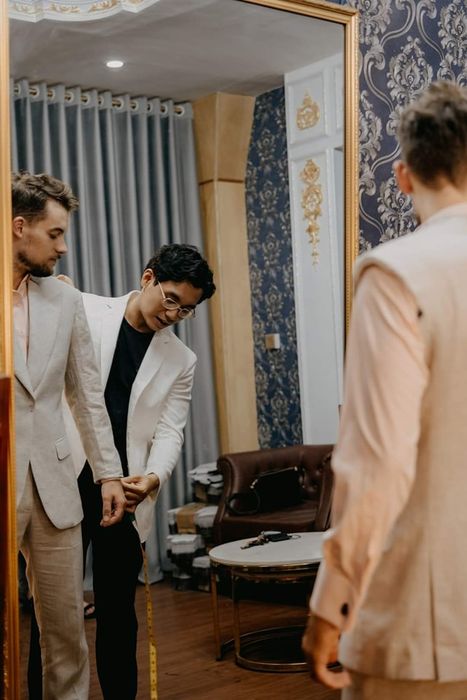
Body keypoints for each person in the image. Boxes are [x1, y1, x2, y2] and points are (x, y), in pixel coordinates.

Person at [302, 80, 467, 699]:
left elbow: (378, 464)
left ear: (403, 176)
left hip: (427, 619)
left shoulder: (396, 273)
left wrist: (331, 602)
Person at [30, 244, 215, 699]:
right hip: (65, 478)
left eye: (186, 310)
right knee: (53, 612)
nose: (173, 314)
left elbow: (169, 430)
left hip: (126, 493)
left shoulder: (182, 360)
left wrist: (153, 478)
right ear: (148, 277)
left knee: (118, 613)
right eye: (170, 299)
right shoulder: (84, 308)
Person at [12, 171, 126, 700]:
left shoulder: (65, 300)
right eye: (54, 234)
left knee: (66, 636)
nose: (63, 247)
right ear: (19, 227)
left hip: (56, 484)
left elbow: (86, 395)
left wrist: (108, 474)